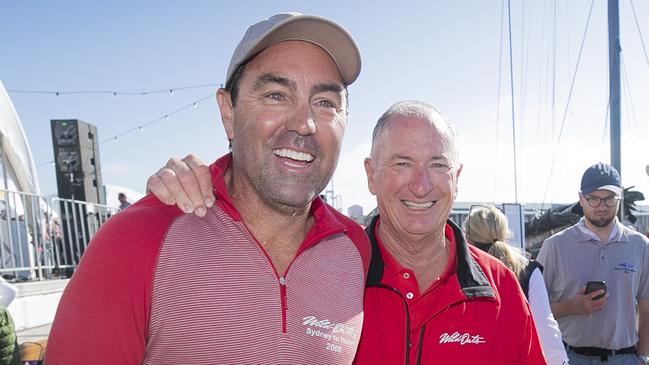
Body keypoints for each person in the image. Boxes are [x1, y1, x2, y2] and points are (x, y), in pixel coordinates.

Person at [46, 12, 370, 364]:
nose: (304, 124)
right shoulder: (137, 239)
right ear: (228, 112)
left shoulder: (355, 249)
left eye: (325, 103)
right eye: (276, 95)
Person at [148, 101, 547, 364]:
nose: (421, 185)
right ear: (371, 175)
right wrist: (198, 183)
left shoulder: (500, 290)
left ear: (456, 178)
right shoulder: (323, 270)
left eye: (438, 165)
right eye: (402, 163)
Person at [537, 163, 649, 365]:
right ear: (581, 199)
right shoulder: (554, 247)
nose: (602, 206)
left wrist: (643, 357)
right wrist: (574, 306)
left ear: (619, 198)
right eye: (593, 199)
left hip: (625, 358)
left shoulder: (640, 246)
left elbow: (646, 306)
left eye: (609, 199)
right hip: (570, 357)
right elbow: (535, 309)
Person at [464, 205, 568, 365]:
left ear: (467, 238)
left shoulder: (458, 272)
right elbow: (544, 326)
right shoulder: (528, 270)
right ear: (505, 234)